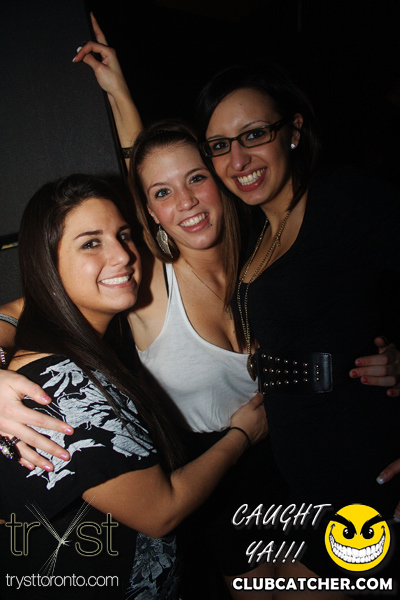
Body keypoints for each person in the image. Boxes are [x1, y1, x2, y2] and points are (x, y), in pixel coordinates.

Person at [0, 14, 400, 596]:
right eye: (162, 195)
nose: (184, 202)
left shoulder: (264, 255)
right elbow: (33, 304)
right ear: (150, 212)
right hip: (214, 490)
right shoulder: (140, 278)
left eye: (198, 178)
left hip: (303, 467)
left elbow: (346, 305)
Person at [0, 173, 268, 600]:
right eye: (91, 243)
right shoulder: (64, 386)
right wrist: (243, 434)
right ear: (46, 263)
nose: (123, 255)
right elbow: (161, 511)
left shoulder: (63, 347)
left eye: (123, 235)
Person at [195, 62, 400, 586]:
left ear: (294, 130)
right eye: (219, 145)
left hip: (361, 467)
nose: (237, 160)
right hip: (296, 477)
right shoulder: (254, 231)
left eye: (254, 135)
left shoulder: (343, 196)